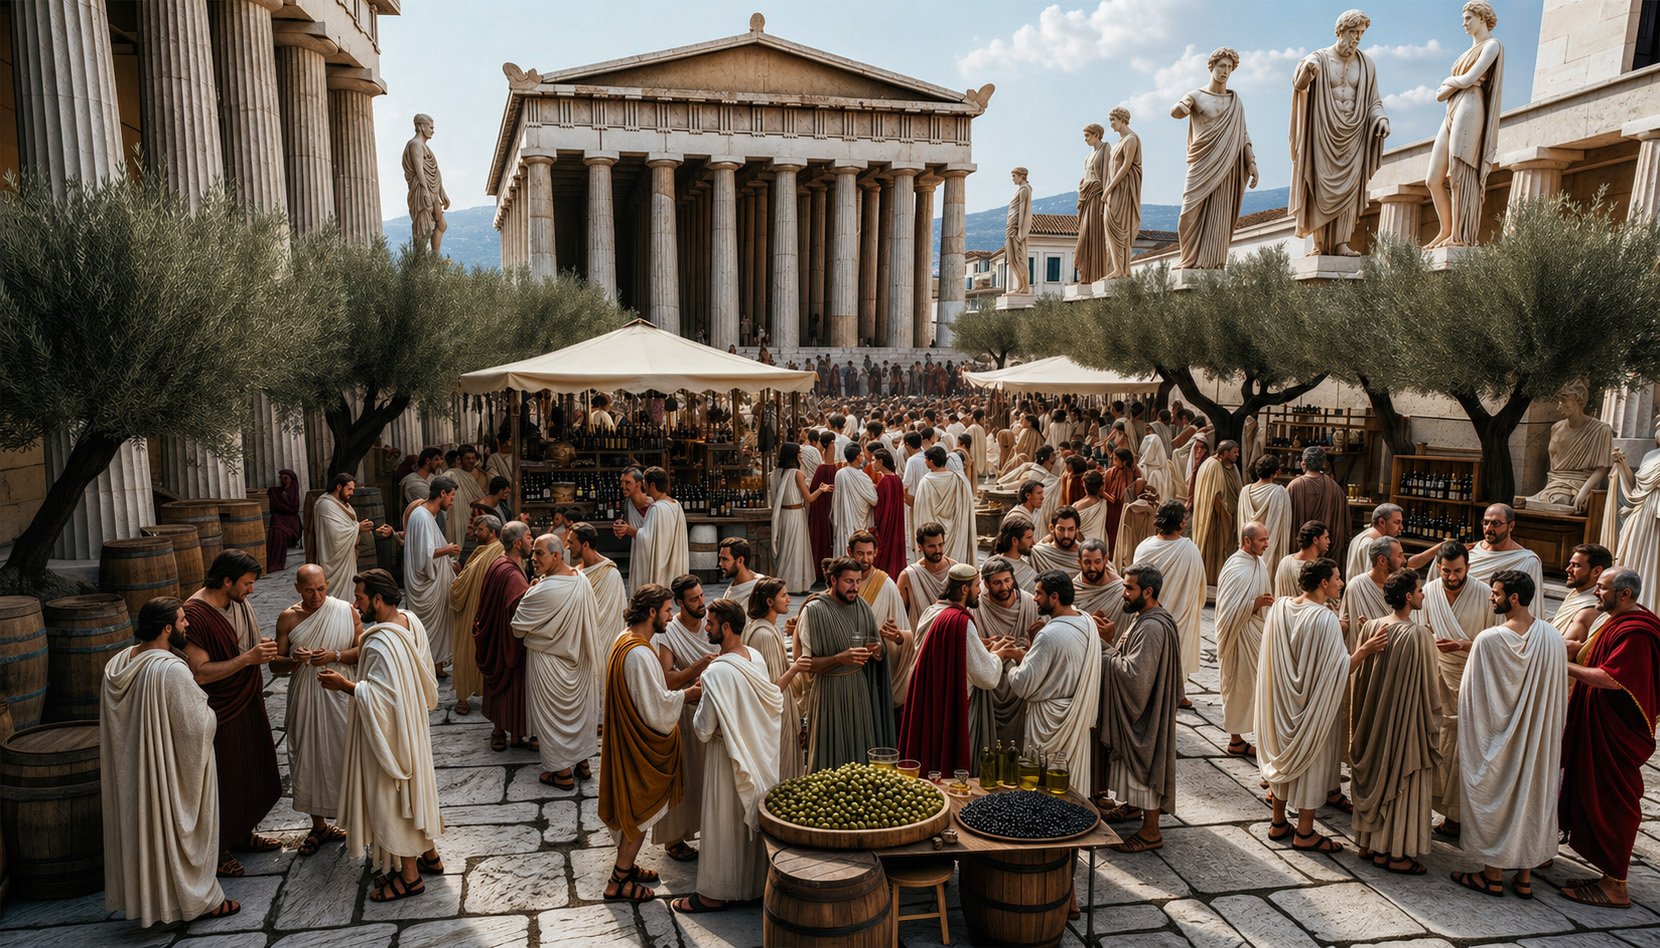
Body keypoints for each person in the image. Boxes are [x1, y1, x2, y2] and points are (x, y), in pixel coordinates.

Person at [102, 597, 237, 924]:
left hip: (134, 774)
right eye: (181, 621)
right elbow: (197, 726)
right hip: (164, 775)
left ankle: (154, 901)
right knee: (175, 832)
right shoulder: (171, 671)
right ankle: (199, 900)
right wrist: (210, 714)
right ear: (166, 628)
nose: (187, 625)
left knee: (146, 834)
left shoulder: (117, 665)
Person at [323, 568, 444, 904]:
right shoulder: (410, 621)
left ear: (377, 600)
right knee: (415, 788)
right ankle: (430, 854)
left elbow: (383, 697)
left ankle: (410, 877)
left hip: (391, 736)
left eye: (360, 597)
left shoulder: (379, 641)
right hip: (413, 727)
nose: (355, 603)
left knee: (392, 798)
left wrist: (344, 685)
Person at [1256, 558, 1386, 853]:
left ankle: (1278, 823)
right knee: (1311, 762)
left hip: (1282, 704)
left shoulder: (1280, 607)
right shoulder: (1325, 619)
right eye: (1338, 578)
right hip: (1312, 706)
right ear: (1324, 583)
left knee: (1281, 758)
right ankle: (1305, 832)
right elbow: (1340, 669)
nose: (1342, 583)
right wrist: (1366, 649)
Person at [1453, 570, 1566, 900]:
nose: (1491, 597)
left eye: (1496, 593)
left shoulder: (1489, 640)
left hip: (1496, 741)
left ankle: (1491, 876)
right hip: (1536, 741)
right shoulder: (1553, 638)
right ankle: (1525, 878)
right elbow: (1556, 694)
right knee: (1532, 798)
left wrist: (1477, 739)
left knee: (1496, 799)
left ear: (1514, 598)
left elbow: (1471, 696)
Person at [674, 599, 784, 915]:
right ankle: (751, 887)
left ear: (725, 628)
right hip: (756, 753)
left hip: (726, 758)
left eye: (710, 623)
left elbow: (704, 730)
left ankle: (713, 895)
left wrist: (696, 696)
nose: (705, 627)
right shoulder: (756, 658)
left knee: (721, 825)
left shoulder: (717, 673)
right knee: (746, 823)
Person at [1559, 568, 1660, 909]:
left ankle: (1616, 887)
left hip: (1616, 733)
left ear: (1625, 594)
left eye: (1602, 589)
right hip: (1600, 724)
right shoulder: (1619, 620)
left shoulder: (1637, 633)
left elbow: (1611, 678)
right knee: (1592, 792)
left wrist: (1561, 665)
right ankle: (1607, 876)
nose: (1596, 593)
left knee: (1614, 802)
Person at [181, 550, 281, 877]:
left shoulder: (235, 603)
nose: (251, 590)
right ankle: (218, 847)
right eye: (247, 584)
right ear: (226, 581)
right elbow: (201, 672)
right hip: (218, 707)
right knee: (222, 776)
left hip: (245, 698)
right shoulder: (195, 613)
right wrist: (248, 659)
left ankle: (241, 834)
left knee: (248, 767)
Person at [599, 585, 696, 903]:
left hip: (626, 740)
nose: (671, 616)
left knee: (635, 808)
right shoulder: (640, 654)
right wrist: (688, 694)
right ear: (652, 612)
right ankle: (618, 880)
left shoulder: (624, 639)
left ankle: (627, 869)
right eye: (668, 610)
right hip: (639, 748)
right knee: (639, 808)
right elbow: (656, 708)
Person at [1349, 569, 1442, 875]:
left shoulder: (1372, 627)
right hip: (1403, 726)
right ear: (1407, 597)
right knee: (1401, 778)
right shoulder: (1418, 636)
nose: (1423, 594)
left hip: (1373, 721)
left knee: (1376, 771)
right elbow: (1431, 690)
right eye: (1419, 590)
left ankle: (1368, 843)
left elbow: (1359, 680)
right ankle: (1394, 853)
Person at [274, 564, 363, 857]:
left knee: (344, 752)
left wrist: (334, 655)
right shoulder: (288, 618)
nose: (317, 597)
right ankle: (319, 825)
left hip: (339, 691)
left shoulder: (345, 611)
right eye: (310, 590)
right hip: (305, 694)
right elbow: (276, 664)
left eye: (322, 589)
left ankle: (357, 819)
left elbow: (361, 650)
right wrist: (294, 661)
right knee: (308, 756)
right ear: (297, 588)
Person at [1093, 564, 1182, 853]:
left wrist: (1105, 647)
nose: (1124, 593)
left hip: (1144, 717)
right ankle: (1132, 808)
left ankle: (1150, 831)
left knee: (1145, 765)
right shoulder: (1147, 617)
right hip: (1143, 710)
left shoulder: (1153, 627)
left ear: (1148, 591)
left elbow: (1135, 678)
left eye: (1129, 588)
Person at [1289, 8, 1389, 257]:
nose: (1356, 38)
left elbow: (1373, 101)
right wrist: (1307, 71)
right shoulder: (1318, 58)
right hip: (1323, 133)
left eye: (1361, 34)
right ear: (1340, 31)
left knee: (1349, 189)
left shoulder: (1366, 64)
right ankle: (1319, 245)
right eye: (1353, 32)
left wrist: (1381, 119)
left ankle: (1342, 242)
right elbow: (1298, 86)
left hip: (1353, 135)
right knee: (1320, 188)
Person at [513, 533, 604, 791]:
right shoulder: (581, 579)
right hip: (581, 663)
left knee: (553, 718)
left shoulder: (540, 592)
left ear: (556, 555)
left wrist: (532, 590)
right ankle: (582, 764)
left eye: (539, 553)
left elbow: (518, 627)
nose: (533, 559)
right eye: (533, 553)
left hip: (549, 665)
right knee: (580, 714)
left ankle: (562, 772)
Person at [1004, 572, 1105, 802]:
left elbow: (1023, 684)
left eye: (1039, 593)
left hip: (1050, 721)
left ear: (1055, 596)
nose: (1034, 598)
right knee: (1069, 783)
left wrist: (1012, 659)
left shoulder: (1049, 635)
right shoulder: (1086, 621)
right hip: (1077, 714)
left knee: (1047, 786)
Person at [900, 563, 1008, 776]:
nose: (980, 591)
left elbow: (953, 651)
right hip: (954, 704)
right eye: (977, 586)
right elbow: (985, 676)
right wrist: (998, 655)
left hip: (933, 697)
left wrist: (981, 645)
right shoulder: (961, 622)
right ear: (965, 589)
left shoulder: (935, 612)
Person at [797, 557, 897, 770]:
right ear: (833, 580)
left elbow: (876, 646)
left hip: (859, 692)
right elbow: (806, 665)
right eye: (849, 581)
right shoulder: (813, 611)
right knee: (828, 755)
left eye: (858, 581)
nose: (855, 588)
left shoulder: (862, 606)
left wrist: (878, 651)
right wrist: (839, 659)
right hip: (828, 694)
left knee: (860, 752)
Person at [1171, 46, 1258, 269]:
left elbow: (1243, 136)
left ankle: (1212, 263)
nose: (1225, 71)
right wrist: (1182, 107)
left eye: (1229, 67)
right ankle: (1187, 259)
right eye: (1221, 66)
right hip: (1201, 162)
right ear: (1212, 67)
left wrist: (1251, 162)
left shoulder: (1235, 101)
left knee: (1220, 214)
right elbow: (1177, 111)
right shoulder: (1196, 96)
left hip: (1228, 163)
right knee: (1187, 216)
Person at [655, 575, 719, 861]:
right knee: (685, 775)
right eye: (693, 599)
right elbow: (666, 680)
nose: (701, 603)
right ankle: (674, 840)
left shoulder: (712, 624)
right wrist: (698, 666)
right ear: (679, 603)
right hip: (683, 712)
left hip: (715, 708)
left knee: (710, 775)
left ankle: (711, 830)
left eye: (702, 596)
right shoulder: (668, 633)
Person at [1133, 501, 1206, 703]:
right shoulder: (1190, 550)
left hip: (1150, 614)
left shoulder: (1144, 547)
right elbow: (1200, 585)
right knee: (1178, 652)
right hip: (1179, 615)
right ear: (1181, 523)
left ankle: (1169, 692)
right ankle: (1177, 692)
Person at [474, 521, 535, 752]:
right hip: (506, 640)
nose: (532, 540)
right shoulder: (511, 574)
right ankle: (502, 729)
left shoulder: (499, 563)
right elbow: (520, 610)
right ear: (518, 543)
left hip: (495, 637)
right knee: (512, 683)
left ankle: (513, 733)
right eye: (529, 537)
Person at [971, 556, 1041, 754]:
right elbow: (974, 649)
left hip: (1019, 684)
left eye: (1007, 580)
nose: (1004, 587)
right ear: (985, 583)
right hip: (989, 684)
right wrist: (992, 648)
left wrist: (1020, 651)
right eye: (997, 582)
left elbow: (1038, 648)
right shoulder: (978, 607)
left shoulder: (1030, 603)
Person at [1215, 522, 1273, 757]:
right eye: (1262, 540)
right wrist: (1254, 604)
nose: (1267, 544)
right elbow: (1226, 611)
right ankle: (1236, 740)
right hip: (1238, 638)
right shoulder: (1236, 568)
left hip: (1256, 633)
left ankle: (1257, 736)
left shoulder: (1258, 563)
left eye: (1267, 539)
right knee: (1239, 686)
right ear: (1247, 541)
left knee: (1259, 688)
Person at [744, 577, 811, 782]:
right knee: (782, 775)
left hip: (779, 715)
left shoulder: (763, 627)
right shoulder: (764, 635)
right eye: (784, 595)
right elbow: (773, 688)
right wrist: (797, 667)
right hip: (776, 719)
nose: (789, 599)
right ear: (769, 602)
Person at [851, 530, 915, 713]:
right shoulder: (843, 581)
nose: (865, 559)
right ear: (850, 552)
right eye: (860, 553)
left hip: (876, 667)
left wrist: (890, 639)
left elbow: (902, 631)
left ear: (876, 553)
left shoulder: (886, 585)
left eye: (869, 553)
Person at [447, 515, 504, 717]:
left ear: (492, 532)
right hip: (472, 607)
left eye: (480, 530)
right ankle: (463, 696)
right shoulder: (483, 551)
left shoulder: (496, 552)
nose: (475, 533)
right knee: (467, 652)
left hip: (480, 610)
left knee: (471, 652)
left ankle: (475, 695)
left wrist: (457, 578)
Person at [405, 474, 460, 680]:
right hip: (425, 584)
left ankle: (437, 665)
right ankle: (425, 667)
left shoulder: (430, 516)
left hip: (435, 581)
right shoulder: (421, 516)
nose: (452, 501)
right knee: (427, 629)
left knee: (440, 627)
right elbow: (422, 555)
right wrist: (447, 550)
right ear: (442, 494)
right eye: (451, 496)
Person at [313, 473, 393, 600]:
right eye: (349, 489)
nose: (352, 493)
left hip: (347, 557)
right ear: (339, 487)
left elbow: (348, 527)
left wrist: (368, 530)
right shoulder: (326, 505)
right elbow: (335, 536)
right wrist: (358, 528)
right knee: (335, 596)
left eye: (353, 489)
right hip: (333, 559)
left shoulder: (343, 503)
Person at [616, 466, 689, 592]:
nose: (643, 487)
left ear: (652, 485)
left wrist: (628, 529)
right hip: (671, 567)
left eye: (645, 483)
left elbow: (647, 539)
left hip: (659, 571)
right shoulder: (676, 505)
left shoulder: (656, 509)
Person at [1288, 448, 1350, 575]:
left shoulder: (1294, 487)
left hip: (1297, 560)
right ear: (1324, 464)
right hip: (1326, 563)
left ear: (1303, 464)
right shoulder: (1335, 488)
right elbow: (1345, 526)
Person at [912, 446, 978, 566]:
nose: (925, 462)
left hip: (933, 537)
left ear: (931, 462)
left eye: (926, 459)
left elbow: (921, 514)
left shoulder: (926, 482)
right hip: (957, 536)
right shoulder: (959, 480)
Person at [1191, 440, 1242, 582]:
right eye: (1234, 452)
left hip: (1229, 519)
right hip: (1214, 519)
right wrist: (1225, 516)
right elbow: (1215, 496)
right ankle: (1209, 579)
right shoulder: (1213, 465)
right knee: (1212, 551)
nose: (1237, 455)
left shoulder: (1232, 467)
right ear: (1224, 453)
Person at [1463, 503, 1543, 591]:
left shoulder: (1527, 561)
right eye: (1485, 523)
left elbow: (1527, 601)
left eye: (1496, 523)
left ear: (1511, 526)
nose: (1488, 528)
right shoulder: (1470, 552)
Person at [1555, 543, 1613, 654]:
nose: (1568, 569)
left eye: (1576, 565)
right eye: (1570, 564)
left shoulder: (1588, 611)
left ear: (1596, 571)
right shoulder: (1577, 592)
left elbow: (1563, 652)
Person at [899, 522, 956, 629]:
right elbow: (899, 614)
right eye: (932, 546)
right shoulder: (909, 576)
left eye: (940, 545)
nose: (937, 550)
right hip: (921, 640)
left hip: (950, 636)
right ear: (920, 547)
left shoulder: (955, 570)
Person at [1238, 456, 1291, 566]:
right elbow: (1282, 526)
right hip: (1270, 548)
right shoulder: (1280, 492)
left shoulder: (1245, 491)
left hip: (1249, 545)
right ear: (1275, 473)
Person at [833, 442, 878, 557]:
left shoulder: (840, 474)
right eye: (862, 455)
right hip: (859, 521)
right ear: (858, 457)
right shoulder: (862, 477)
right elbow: (874, 500)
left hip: (843, 520)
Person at [870, 448, 909, 578]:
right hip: (896, 524)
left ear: (881, 461)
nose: (872, 463)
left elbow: (879, 507)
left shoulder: (884, 481)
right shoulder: (897, 479)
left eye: (874, 460)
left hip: (885, 525)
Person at [1276, 520, 1330, 598]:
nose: (1329, 541)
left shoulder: (1284, 561)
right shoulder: (1315, 569)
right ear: (1315, 540)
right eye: (1326, 538)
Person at [1030, 506, 1085, 575]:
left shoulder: (1085, 555)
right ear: (1051, 528)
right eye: (1061, 529)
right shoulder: (1039, 554)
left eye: (1070, 529)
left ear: (1077, 530)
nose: (1066, 535)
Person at [266, 468, 303, 571]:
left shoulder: (293, 489)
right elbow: (275, 506)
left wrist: (282, 504)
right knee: (275, 530)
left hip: (291, 521)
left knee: (279, 531)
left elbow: (293, 508)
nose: (284, 481)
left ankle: (276, 563)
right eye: (282, 478)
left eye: (286, 478)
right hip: (280, 518)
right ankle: (272, 563)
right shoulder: (277, 491)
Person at [991, 518, 1039, 591]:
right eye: (1029, 538)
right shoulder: (992, 565)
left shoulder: (1027, 567)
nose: (1033, 543)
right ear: (1014, 541)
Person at [717, 537, 767, 606]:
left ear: (740, 560)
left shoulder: (760, 587)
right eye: (720, 559)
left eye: (724, 559)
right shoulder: (734, 586)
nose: (720, 564)